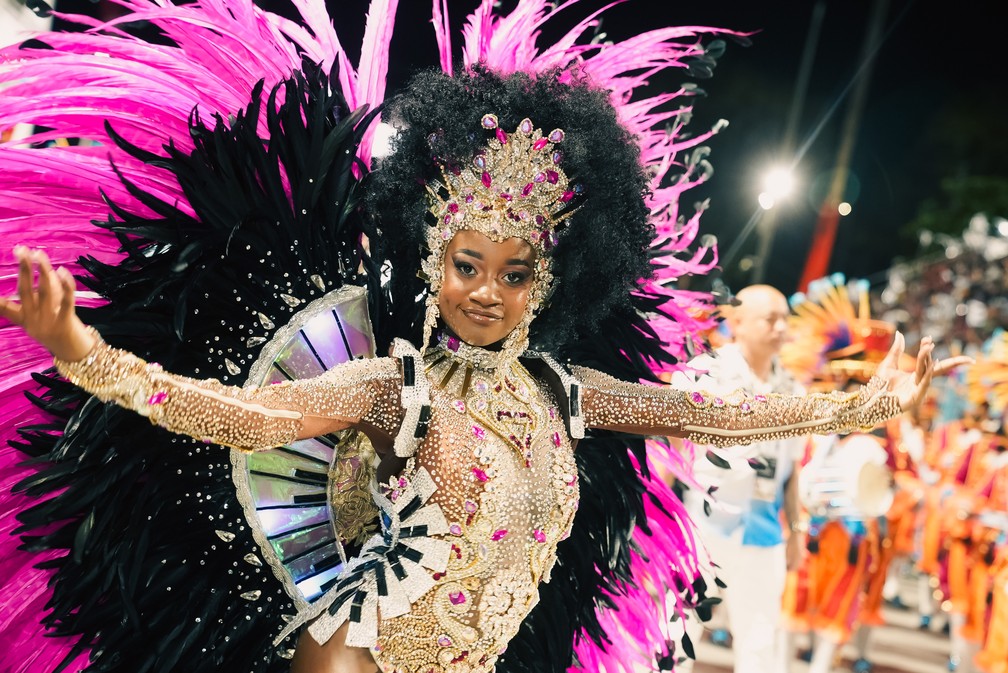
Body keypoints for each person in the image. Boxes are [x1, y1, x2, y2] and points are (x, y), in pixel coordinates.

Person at [0, 4, 967, 673]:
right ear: (434, 259)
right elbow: (239, 414)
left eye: (515, 273)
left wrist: (858, 405)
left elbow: (707, 412)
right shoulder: (394, 387)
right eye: (468, 265)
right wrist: (85, 351)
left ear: (552, 280)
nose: (488, 295)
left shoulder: (565, 393)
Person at [674, 284, 806, 673]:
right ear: (738, 323)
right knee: (678, 634)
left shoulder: (794, 390)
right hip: (704, 527)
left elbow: (792, 468)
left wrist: (797, 529)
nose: (781, 327)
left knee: (761, 642)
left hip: (764, 534)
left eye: (786, 318)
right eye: (771, 319)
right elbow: (673, 448)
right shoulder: (705, 373)